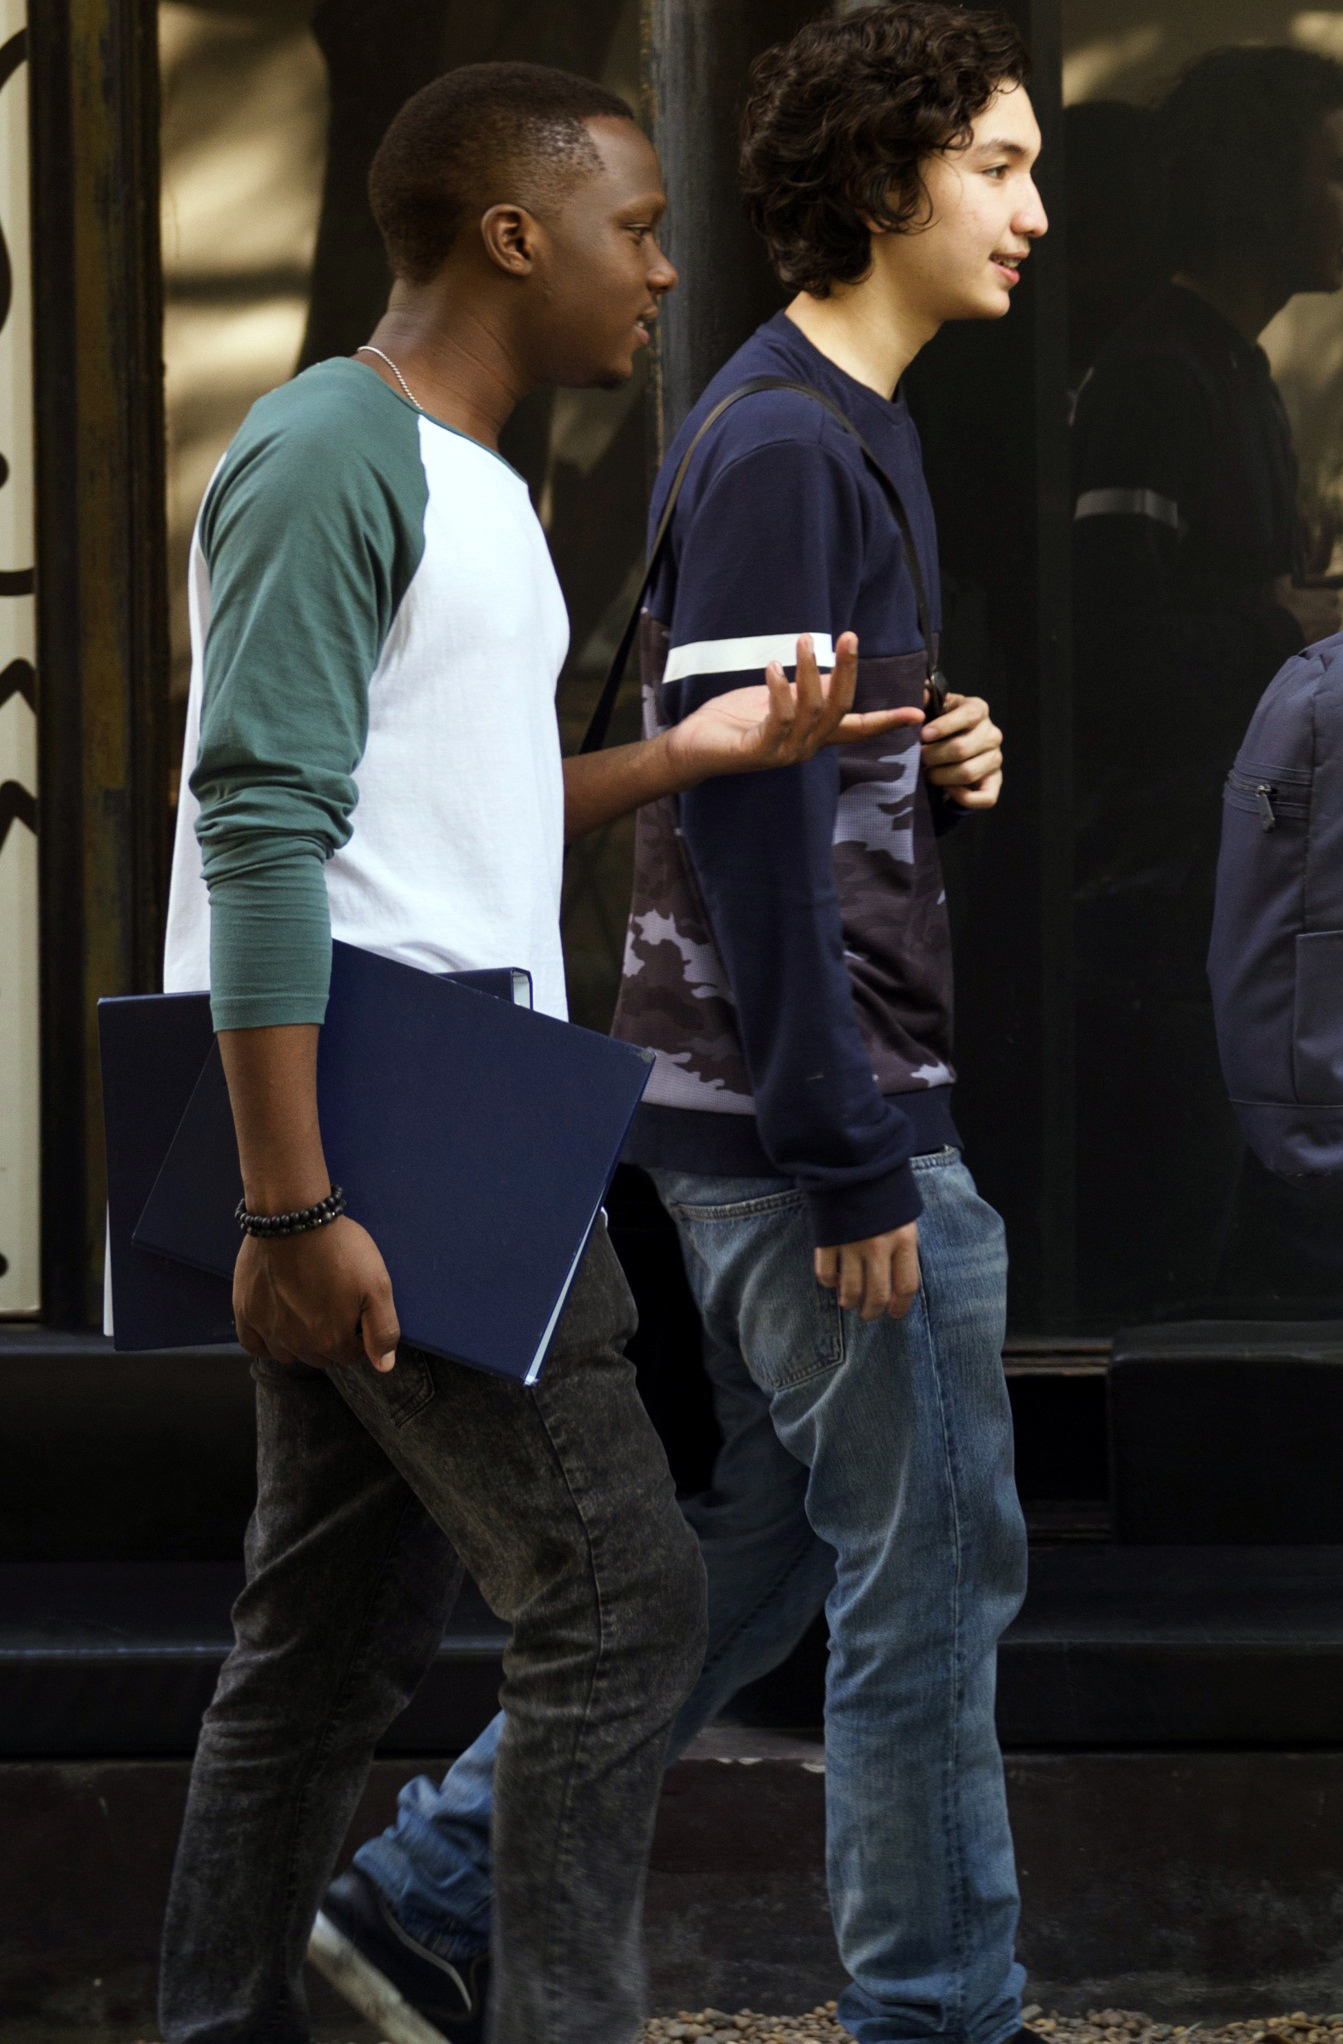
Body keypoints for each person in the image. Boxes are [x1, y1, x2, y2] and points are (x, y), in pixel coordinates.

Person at [302, 15, 1047, 2044]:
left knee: (797, 1549)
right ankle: (940, 2014)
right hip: (820, 1125)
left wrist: (934, 741)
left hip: (784, 1115)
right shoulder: (797, 438)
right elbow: (736, 819)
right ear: (888, 185)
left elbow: (798, 767)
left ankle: (412, 1899)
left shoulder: (832, 424)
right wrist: (846, 1147)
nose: (1033, 212)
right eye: (998, 166)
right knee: (934, 1589)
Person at [155, 59, 912, 2044]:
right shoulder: (336, 450)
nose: (665, 267)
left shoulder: (471, 477)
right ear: (514, 234)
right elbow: (263, 829)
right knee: (622, 1596)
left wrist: (690, 751)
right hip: (395, 1095)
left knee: (321, 1641)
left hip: (421, 1078)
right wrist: (288, 1195)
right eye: (636, 227)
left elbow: (443, 802)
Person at [1064, 41, 1343, 1310]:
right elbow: (1106, 643)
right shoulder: (1158, 379)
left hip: (1239, 898)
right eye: (1340, 174)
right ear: (1260, 189)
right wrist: (1277, 624)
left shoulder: (1232, 372)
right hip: (1170, 917)